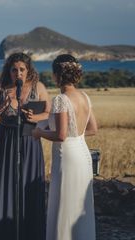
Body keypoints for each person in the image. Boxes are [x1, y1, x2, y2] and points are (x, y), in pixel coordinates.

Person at [0, 52, 51, 240]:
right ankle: (3, 232)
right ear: (8, 71)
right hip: (5, 141)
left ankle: (29, 232)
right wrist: (2, 106)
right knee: (5, 184)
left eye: (22, 69)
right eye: (14, 70)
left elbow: (49, 113)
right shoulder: (1, 88)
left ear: (28, 71)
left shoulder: (39, 87)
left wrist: (33, 117)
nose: (18, 73)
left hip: (30, 141)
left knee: (27, 184)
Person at [32, 54, 98, 240]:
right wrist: (49, 123)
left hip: (67, 156)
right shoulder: (84, 96)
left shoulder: (61, 99)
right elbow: (92, 129)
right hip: (82, 153)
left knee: (63, 202)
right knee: (78, 203)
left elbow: (60, 135)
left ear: (57, 75)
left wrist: (39, 133)